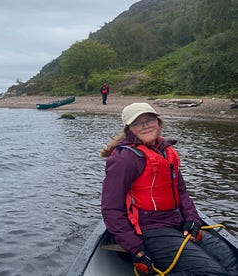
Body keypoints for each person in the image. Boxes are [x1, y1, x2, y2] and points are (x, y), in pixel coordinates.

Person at [100, 102, 238, 275]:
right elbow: (111, 209)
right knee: (213, 273)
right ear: (129, 129)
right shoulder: (125, 159)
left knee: (232, 262)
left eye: (149, 120)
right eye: (137, 123)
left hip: (176, 222)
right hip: (149, 229)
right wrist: (136, 250)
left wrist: (192, 218)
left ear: (158, 122)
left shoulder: (166, 152)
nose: (145, 126)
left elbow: (181, 191)